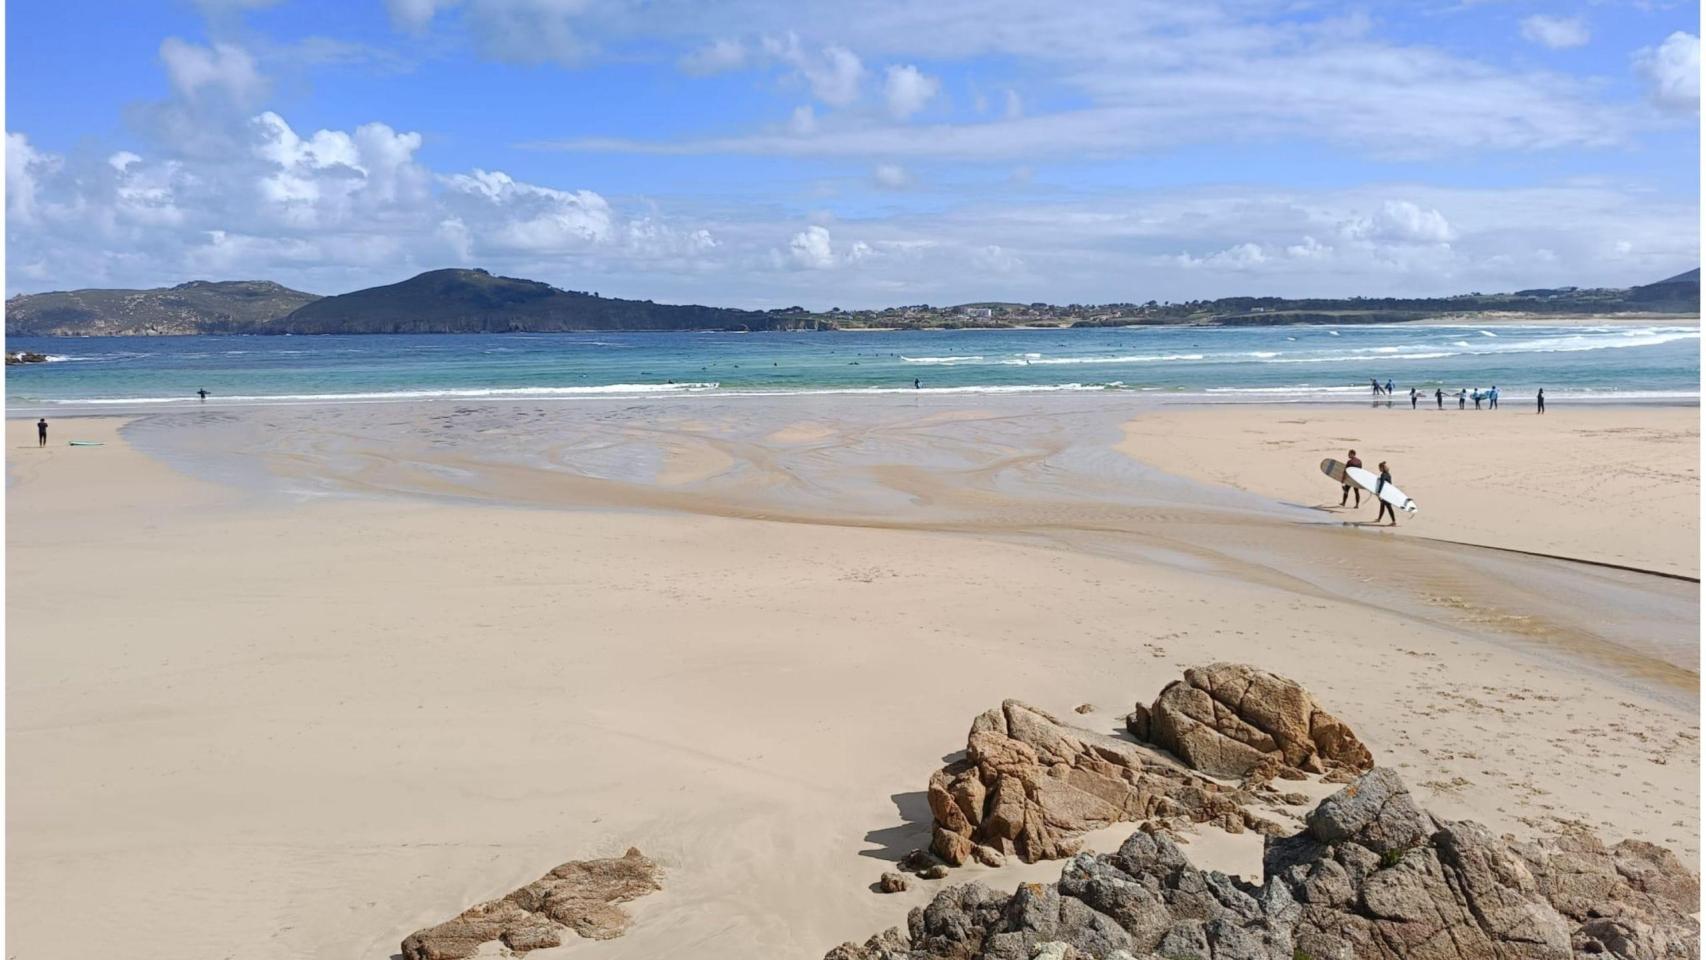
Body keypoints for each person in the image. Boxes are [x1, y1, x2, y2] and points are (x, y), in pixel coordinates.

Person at [1374, 461, 1398, 526]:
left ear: (1382, 468)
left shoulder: (1383, 475)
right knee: (1382, 505)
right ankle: (1379, 519)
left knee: (1388, 507)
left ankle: (1394, 521)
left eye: (1379, 468)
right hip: (1388, 492)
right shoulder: (1388, 474)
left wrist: (1379, 492)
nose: (1379, 469)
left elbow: (1382, 484)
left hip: (1386, 493)